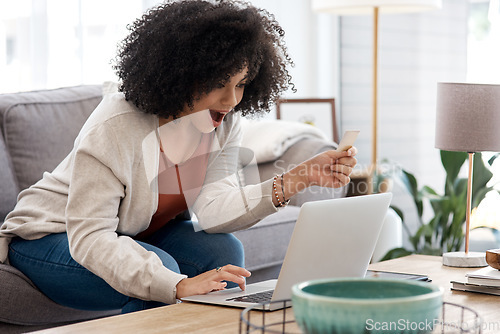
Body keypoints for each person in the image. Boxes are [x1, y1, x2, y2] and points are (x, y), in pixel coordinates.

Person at [0, 0, 357, 314]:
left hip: (129, 234)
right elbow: (91, 237)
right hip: (49, 239)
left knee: (223, 250)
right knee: (161, 267)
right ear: (184, 74)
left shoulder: (223, 122)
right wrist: (174, 284)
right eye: (221, 83)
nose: (232, 100)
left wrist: (295, 178)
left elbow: (215, 211)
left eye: (242, 84)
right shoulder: (117, 125)